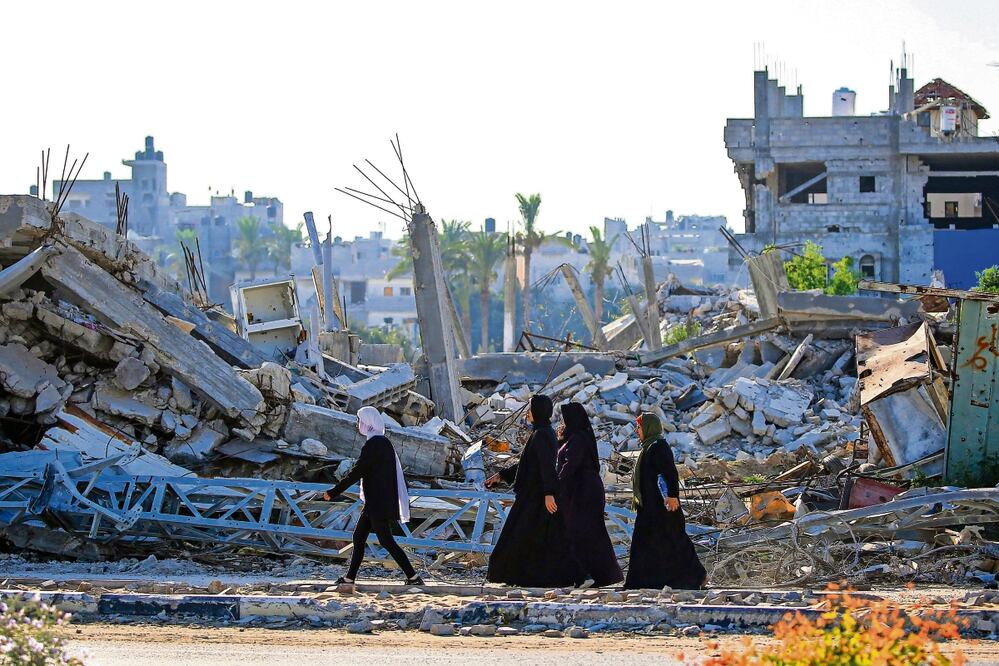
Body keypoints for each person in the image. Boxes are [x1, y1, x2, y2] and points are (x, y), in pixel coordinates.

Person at [486, 394, 582, 587]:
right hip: (533, 496)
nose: (527, 413)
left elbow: (546, 466)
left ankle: (513, 576)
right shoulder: (542, 432)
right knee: (530, 538)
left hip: (535, 498)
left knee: (517, 538)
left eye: (530, 409)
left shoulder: (542, 435)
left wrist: (548, 493)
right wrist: (502, 475)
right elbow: (528, 463)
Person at [327, 406, 423, 586]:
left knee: (386, 541)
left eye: (360, 420)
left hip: (377, 504)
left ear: (368, 423)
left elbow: (358, 472)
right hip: (377, 502)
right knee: (359, 537)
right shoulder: (383, 443)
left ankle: (413, 577)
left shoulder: (374, 444)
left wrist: (333, 492)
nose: (358, 424)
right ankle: (350, 578)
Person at [624, 412, 706, 590]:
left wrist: (673, 495)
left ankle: (697, 576)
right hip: (650, 508)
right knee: (649, 544)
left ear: (648, 428)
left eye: (639, 427)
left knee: (674, 540)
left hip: (663, 506)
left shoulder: (659, 446)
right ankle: (643, 582)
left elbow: (670, 472)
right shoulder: (648, 447)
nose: (637, 431)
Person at [556, 402, 623, 587]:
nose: (562, 422)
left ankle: (592, 574)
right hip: (583, 490)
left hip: (584, 492)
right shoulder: (575, 437)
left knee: (584, 533)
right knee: (590, 533)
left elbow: (570, 464)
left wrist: (555, 483)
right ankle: (605, 575)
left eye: (564, 418)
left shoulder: (578, 438)